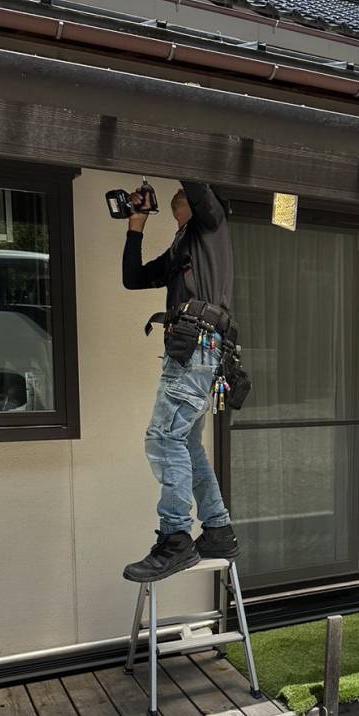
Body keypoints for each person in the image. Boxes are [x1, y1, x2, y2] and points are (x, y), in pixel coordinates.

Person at [121, 181, 239, 582]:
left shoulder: (211, 223)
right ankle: (218, 530)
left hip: (197, 349)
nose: (177, 224)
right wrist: (136, 222)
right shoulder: (180, 247)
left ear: (195, 207)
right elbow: (133, 278)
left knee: (164, 439)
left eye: (179, 215)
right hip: (196, 352)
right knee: (186, 443)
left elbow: (194, 179)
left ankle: (175, 540)